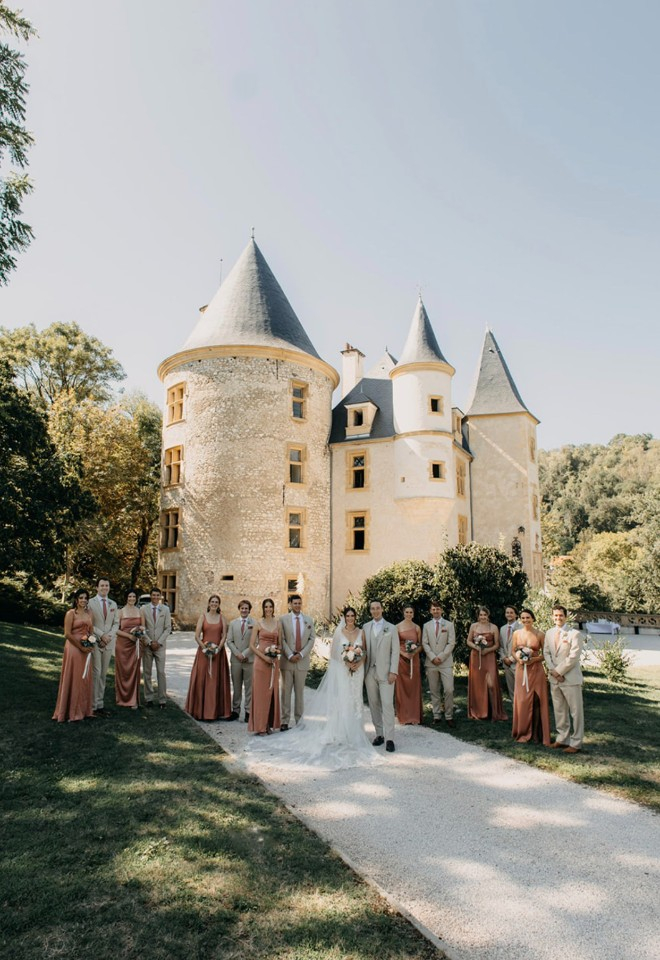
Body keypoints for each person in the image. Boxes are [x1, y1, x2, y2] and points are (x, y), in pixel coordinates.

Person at [244, 606, 384, 770]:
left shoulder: (361, 632)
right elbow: (333, 654)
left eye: (353, 615)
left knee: (356, 700)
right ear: (344, 617)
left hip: (357, 671)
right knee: (344, 700)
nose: (351, 618)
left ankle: (355, 733)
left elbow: (365, 651)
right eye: (348, 615)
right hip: (343, 670)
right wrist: (346, 661)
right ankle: (342, 732)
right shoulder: (339, 632)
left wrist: (358, 662)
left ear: (355, 617)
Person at [544, 605, 585, 754]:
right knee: (559, 710)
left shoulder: (574, 634)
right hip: (555, 678)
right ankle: (562, 739)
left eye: (560, 615)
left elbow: (573, 657)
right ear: (552, 617)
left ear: (566, 617)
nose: (558, 618)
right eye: (555, 616)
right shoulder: (549, 633)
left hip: (570, 678)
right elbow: (546, 653)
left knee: (576, 712)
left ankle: (576, 742)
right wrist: (554, 672)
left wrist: (560, 671)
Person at [185, 595, 231, 721]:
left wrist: (218, 649)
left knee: (216, 681)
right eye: (212, 602)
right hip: (204, 654)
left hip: (218, 654)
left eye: (216, 602)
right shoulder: (202, 617)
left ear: (219, 604)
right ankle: (200, 711)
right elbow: (197, 636)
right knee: (202, 680)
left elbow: (224, 635)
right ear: (209, 603)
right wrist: (204, 648)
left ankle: (215, 712)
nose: (214, 604)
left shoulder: (222, 618)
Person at [52, 589, 95, 723]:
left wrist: (91, 643)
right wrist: (81, 646)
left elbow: (91, 631)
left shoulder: (89, 613)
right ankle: (70, 712)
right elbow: (67, 634)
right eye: (80, 598)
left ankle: (84, 710)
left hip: (86, 647)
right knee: (74, 677)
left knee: (84, 679)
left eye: (85, 598)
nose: (83, 600)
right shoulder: (71, 613)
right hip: (73, 647)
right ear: (76, 599)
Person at [363, 600, 399, 752]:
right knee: (374, 704)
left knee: (387, 704)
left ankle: (390, 738)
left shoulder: (391, 628)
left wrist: (393, 671)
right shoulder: (365, 627)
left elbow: (395, 651)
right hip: (370, 672)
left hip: (386, 673)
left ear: (382, 609)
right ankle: (379, 734)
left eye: (378, 608)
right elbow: (363, 649)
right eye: (373, 609)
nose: (375, 611)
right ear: (370, 611)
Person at [511, 608, 551, 746]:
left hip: (536, 669)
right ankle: (522, 731)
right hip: (522, 669)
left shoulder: (540, 634)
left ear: (533, 619)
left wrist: (534, 660)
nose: (525, 620)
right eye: (523, 618)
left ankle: (535, 733)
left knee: (536, 700)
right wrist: (518, 658)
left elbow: (546, 654)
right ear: (520, 620)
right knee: (522, 701)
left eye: (528, 617)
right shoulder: (516, 633)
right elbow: (513, 650)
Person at [278, 594, 315, 730]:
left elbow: (312, 639)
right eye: (295, 603)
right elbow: (281, 639)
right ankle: (284, 721)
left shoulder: (309, 620)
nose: (297, 605)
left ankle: (299, 721)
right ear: (290, 604)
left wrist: (301, 654)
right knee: (286, 692)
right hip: (287, 661)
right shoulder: (283, 620)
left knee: (300, 693)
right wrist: (289, 654)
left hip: (302, 661)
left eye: (299, 603)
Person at [466, 606, 508, 721]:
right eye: (481, 615)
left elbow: (497, 644)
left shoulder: (493, 627)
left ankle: (493, 711)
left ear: (488, 615)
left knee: (491, 683)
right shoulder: (473, 626)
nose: (483, 617)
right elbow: (468, 641)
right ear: (478, 616)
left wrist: (487, 650)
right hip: (476, 656)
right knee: (477, 683)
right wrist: (476, 647)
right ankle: (478, 711)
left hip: (489, 656)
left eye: (485, 615)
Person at [248, 599, 282, 735]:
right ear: (263, 608)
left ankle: (268, 724)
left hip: (273, 662)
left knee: (271, 693)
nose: (268, 609)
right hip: (261, 662)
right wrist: (264, 657)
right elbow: (251, 645)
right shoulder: (258, 624)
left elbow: (280, 644)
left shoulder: (278, 624)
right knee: (260, 694)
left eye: (270, 606)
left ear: (273, 608)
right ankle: (260, 726)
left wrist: (275, 652)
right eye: (266, 607)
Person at [87, 577, 119, 717]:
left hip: (108, 644)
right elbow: (88, 623)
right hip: (95, 641)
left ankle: (100, 704)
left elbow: (116, 624)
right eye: (102, 585)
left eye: (107, 585)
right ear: (97, 587)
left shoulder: (113, 604)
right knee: (96, 672)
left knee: (103, 674)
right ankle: (92, 705)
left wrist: (109, 637)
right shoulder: (90, 603)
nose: (105, 588)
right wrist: (101, 636)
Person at [421, 601, 456, 727]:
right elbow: (424, 643)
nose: (436, 611)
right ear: (431, 611)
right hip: (431, 663)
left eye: (438, 609)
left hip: (445, 662)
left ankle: (449, 715)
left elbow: (451, 643)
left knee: (449, 689)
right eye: (434, 609)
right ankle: (436, 715)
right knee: (434, 690)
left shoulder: (449, 625)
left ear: (441, 610)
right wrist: (432, 657)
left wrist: (441, 656)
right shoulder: (426, 626)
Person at [226, 599, 256, 722]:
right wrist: (238, 654)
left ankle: (248, 712)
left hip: (249, 659)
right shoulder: (233, 623)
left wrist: (245, 654)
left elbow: (256, 642)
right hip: (236, 660)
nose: (244, 610)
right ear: (239, 609)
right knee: (236, 686)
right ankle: (235, 710)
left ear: (249, 610)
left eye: (246, 608)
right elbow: (229, 640)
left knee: (249, 687)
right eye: (242, 608)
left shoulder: (254, 623)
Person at [142, 587, 172, 709]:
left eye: (157, 595)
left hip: (160, 646)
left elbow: (168, 628)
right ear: (150, 596)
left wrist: (158, 642)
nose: (155, 597)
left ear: (160, 597)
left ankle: (162, 700)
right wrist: (149, 642)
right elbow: (142, 627)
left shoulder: (165, 609)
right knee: (147, 672)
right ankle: (149, 698)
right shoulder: (144, 609)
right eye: (153, 595)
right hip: (147, 645)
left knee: (161, 672)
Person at [115, 589, 145, 709]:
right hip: (123, 645)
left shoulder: (140, 611)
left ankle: (133, 700)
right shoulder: (120, 612)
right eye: (129, 596)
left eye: (134, 596)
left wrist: (138, 633)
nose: (132, 598)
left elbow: (143, 627)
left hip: (136, 645)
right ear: (126, 598)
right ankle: (122, 699)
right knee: (123, 671)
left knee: (134, 671)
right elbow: (116, 629)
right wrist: (129, 636)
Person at [395, 605, 423, 724]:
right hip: (401, 660)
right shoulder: (397, 627)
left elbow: (420, 645)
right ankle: (403, 716)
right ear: (403, 613)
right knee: (402, 687)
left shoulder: (417, 628)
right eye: (407, 612)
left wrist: (413, 652)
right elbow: (395, 645)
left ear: (413, 614)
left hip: (414, 660)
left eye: (411, 612)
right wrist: (404, 654)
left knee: (414, 687)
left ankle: (414, 716)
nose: (409, 614)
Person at [499, 605, 521, 702]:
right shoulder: (502, 629)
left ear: (516, 614)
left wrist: (511, 659)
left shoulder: (521, 627)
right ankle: (515, 712)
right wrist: (504, 658)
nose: (509, 614)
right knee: (511, 690)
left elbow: (522, 647)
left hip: (517, 663)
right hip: (506, 664)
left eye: (511, 612)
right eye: (507, 612)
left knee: (520, 690)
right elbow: (501, 646)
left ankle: (523, 712)